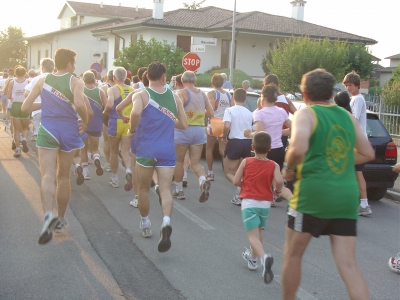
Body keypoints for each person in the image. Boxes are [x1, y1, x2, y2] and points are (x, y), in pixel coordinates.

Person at [281, 68, 374, 300]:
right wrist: (338, 159)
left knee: (292, 256)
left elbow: (298, 147)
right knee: (349, 266)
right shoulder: (347, 116)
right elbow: (368, 153)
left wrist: (288, 169)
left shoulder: (306, 113)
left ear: (304, 94)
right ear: (332, 93)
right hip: (345, 197)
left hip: (313, 196)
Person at [22, 48, 89, 244]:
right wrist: (84, 121)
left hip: (48, 129)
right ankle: (60, 218)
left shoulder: (43, 80)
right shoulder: (76, 81)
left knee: (47, 175)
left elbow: (25, 107)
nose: (75, 66)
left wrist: (47, 104)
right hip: (68, 130)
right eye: (74, 63)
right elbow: (79, 103)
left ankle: (47, 216)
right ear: (69, 64)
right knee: (63, 176)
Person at [129, 61, 187, 251]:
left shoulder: (141, 94)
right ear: (164, 77)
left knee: (144, 189)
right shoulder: (175, 96)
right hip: (166, 150)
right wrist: (169, 120)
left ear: (146, 77)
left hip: (146, 149)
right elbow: (184, 125)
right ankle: (166, 221)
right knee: (165, 190)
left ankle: (145, 223)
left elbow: (136, 112)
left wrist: (132, 128)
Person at [233, 131, 283, 284]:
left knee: (252, 236)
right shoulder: (274, 165)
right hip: (265, 204)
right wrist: (277, 191)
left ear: (252, 147)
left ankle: (263, 257)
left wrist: (245, 184)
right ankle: (252, 260)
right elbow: (279, 181)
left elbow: (236, 180)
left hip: (249, 202)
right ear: (270, 148)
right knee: (258, 231)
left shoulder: (246, 162)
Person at [173, 71, 214, 201]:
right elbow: (211, 112)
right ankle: (202, 181)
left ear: (183, 80)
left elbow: (175, 110)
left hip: (184, 130)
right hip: (199, 130)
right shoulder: (202, 94)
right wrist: (199, 114)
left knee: (179, 161)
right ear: (195, 81)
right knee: (195, 162)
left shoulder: (182, 93)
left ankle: (179, 190)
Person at [343, 71, 372, 216]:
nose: (348, 88)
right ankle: (362, 203)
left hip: (357, 141)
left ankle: (364, 204)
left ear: (357, 85)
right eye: (346, 85)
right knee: (355, 173)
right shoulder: (355, 98)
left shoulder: (358, 99)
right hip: (356, 140)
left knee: (357, 173)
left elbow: (352, 119)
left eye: (351, 85)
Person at [222, 88, 253, 205]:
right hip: (247, 142)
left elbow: (226, 126)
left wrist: (224, 137)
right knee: (241, 171)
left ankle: (241, 190)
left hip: (235, 142)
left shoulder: (229, 110)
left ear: (233, 98)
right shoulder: (250, 113)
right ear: (245, 99)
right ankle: (239, 194)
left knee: (228, 172)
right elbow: (252, 129)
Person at [103, 66, 133, 190]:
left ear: (113, 78)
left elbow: (109, 104)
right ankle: (128, 170)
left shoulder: (113, 89)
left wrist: (105, 112)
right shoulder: (132, 89)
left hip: (115, 122)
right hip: (128, 122)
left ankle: (114, 178)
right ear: (125, 77)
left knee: (114, 152)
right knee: (125, 152)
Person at [205, 73, 233, 181]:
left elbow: (211, 110)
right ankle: (228, 172)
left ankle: (210, 173)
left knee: (209, 148)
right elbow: (231, 109)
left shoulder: (212, 93)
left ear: (212, 83)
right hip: (224, 122)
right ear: (222, 83)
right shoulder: (228, 95)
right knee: (223, 149)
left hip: (214, 122)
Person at [80, 70, 107, 179]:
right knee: (95, 148)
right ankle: (96, 158)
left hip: (83, 122)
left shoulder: (81, 90)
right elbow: (107, 105)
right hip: (96, 123)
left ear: (84, 80)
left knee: (83, 148)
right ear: (94, 79)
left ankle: (86, 172)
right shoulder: (100, 91)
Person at [24, 58, 55, 141]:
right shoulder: (56, 79)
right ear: (53, 68)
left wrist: (35, 100)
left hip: (38, 110)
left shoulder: (37, 79)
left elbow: (26, 93)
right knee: (51, 136)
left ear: (42, 68)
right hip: (53, 111)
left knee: (39, 136)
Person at [7, 66, 30, 157]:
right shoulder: (28, 82)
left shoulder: (12, 82)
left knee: (16, 129)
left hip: (15, 105)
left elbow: (9, 95)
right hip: (25, 105)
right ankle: (24, 139)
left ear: (15, 73)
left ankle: (18, 150)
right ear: (25, 73)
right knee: (25, 127)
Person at [100, 69, 114, 172]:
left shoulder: (104, 88)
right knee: (116, 143)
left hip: (107, 116)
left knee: (106, 141)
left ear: (108, 77)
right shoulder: (122, 88)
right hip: (120, 116)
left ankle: (109, 164)